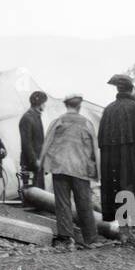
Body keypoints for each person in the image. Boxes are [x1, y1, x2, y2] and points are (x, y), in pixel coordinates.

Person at [98, 74, 135, 246]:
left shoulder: (109, 109)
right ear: (131, 89)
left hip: (113, 162)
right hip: (134, 161)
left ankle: (123, 234)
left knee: (118, 190)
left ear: (118, 89)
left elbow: (102, 140)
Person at [38, 94, 101, 250]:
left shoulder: (58, 121)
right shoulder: (87, 123)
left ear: (66, 105)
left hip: (59, 168)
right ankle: (91, 239)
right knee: (84, 203)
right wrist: (97, 173)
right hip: (80, 169)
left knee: (62, 203)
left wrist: (43, 165)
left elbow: (47, 143)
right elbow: (94, 148)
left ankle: (67, 239)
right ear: (79, 106)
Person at [18, 91, 49, 192]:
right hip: (31, 163)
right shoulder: (28, 118)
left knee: (39, 191)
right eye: (44, 102)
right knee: (33, 193)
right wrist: (35, 161)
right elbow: (27, 143)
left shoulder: (35, 116)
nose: (45, 105)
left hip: (37, 161)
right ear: (39, 103)